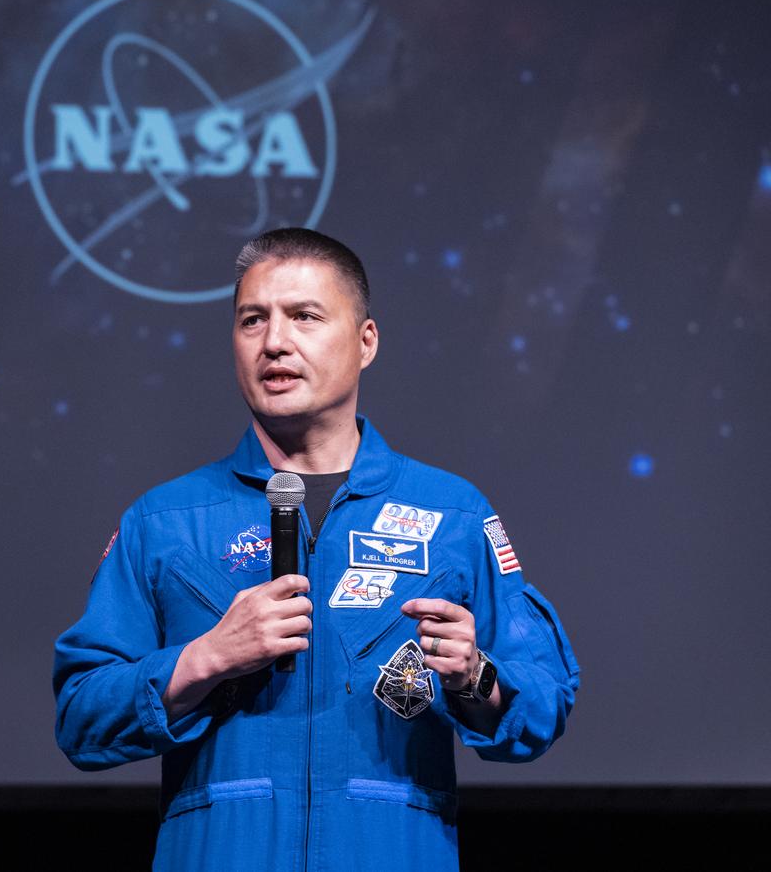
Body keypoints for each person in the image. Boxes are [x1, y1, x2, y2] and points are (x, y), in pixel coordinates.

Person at [53, 228, 579, 871]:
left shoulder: (454, 514)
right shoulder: (167, 520)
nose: (275, 342)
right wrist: (205, 657)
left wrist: (476, 676)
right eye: (253, 320)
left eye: (304, 316)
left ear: (366, 343)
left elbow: (544, 699)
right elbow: (82, 714)